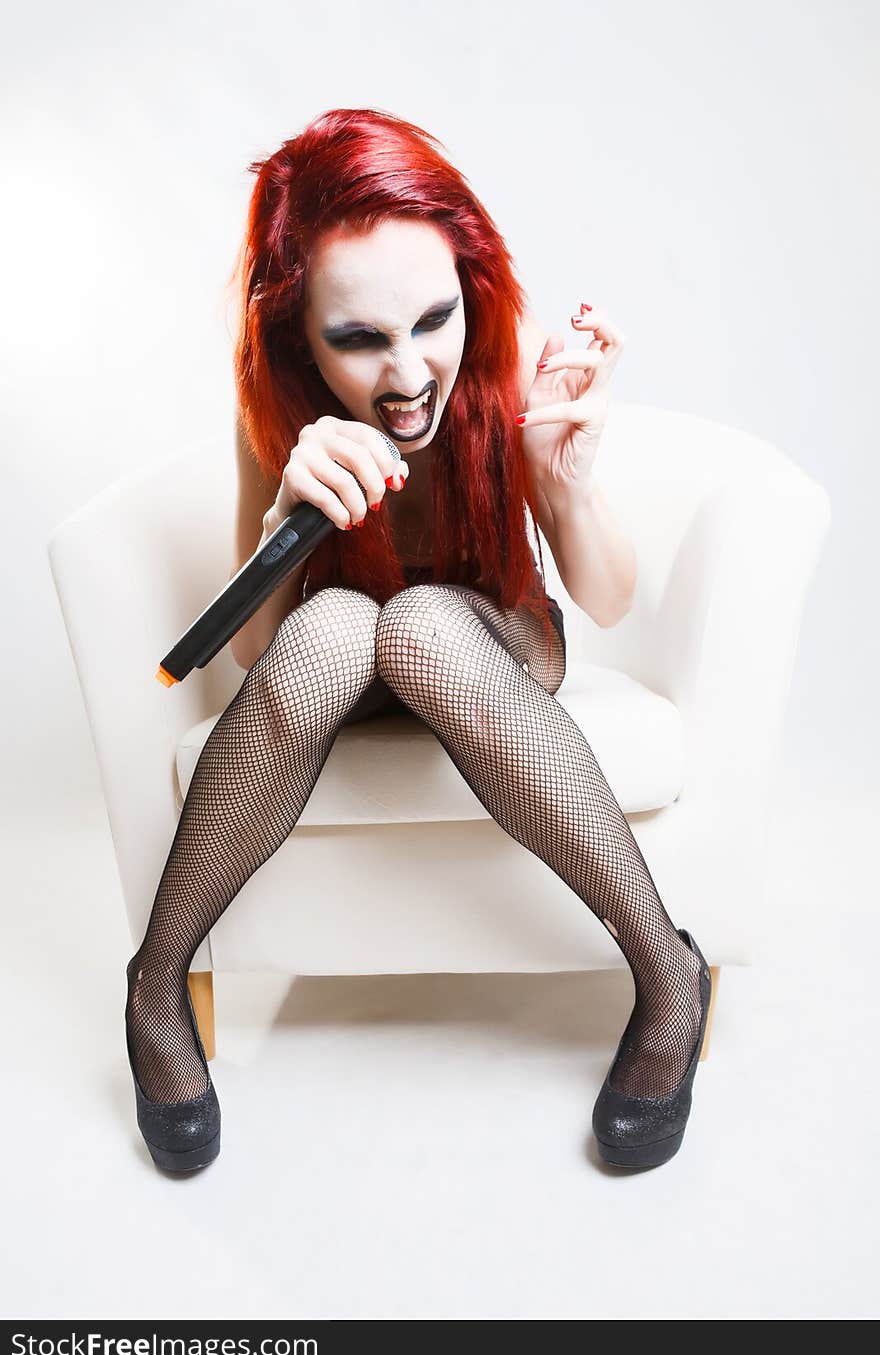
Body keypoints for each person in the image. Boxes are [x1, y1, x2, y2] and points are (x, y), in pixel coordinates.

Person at [125, 107, 712, 1174]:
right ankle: (154, 985)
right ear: (299, 335)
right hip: (343, 652)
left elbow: (608, 599)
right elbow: (257, 654)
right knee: (348, 621)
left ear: (468, 290)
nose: (407, 372)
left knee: (425, 623)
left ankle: (669, 973)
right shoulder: (276, 403)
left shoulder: (509, 361)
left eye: (431, 321)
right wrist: (277, 527)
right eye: (358, 338)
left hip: (488, 639)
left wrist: (568, 480)